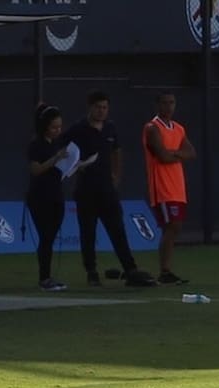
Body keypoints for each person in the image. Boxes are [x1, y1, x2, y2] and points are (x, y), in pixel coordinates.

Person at [65, 90, 155, 287]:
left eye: (105, 107)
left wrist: (116, 175)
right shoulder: (78, 129)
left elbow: (116, 151)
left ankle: (130, 269)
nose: (101, 111)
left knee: (117, 229)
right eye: (98, 107)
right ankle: (91, 271)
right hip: (86, 189)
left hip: (107, 189)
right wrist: (76, 165)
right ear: (90, 107)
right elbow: (63, 149)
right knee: (88, 232)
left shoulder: (110, 128)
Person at [142, 90, 196, 284]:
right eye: (165, 103)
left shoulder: (178, 128)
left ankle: (166, 271)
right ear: (157, 105)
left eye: (172, 102)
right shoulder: (152, 128)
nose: (169, 107)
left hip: (177, 186)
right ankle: (164, 271)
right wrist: (178, 154)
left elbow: (191, 152)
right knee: (172, 226)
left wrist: (174, 153)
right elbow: (163, 156)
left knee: (175, 227)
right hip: (162, 186)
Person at [26, 104, 68, 291]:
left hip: (56, 195)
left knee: (50, 237)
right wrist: (55, 159)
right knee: (46, 237)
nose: (58, 130)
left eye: (60, 127)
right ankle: (44, 278)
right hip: (39, 197)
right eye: (54, 127)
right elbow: (35, 170)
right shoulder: (36, 145)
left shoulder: (57, 143)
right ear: (44, 127)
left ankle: (48, 277)